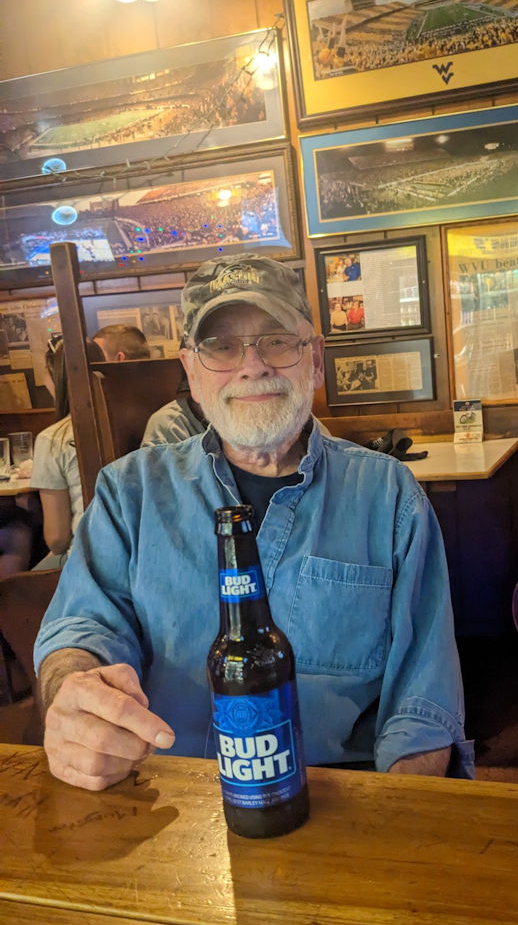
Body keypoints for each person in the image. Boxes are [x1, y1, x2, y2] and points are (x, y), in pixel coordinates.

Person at [34, 253, 472, 791]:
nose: (253, 365)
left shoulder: (388, 495)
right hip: (165, 795)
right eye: (221, 346)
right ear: (191, 371)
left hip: (334, 798)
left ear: (315, 360)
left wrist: (393, 815)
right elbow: (82, 631)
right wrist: (75, 692)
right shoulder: (130, 492)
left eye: (277, 340)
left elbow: (422, 702)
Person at [29, 338, 106, 567]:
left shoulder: (53, 439)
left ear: (56, 377)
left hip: (85, 559)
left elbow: (57, 540)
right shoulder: (128, 421)